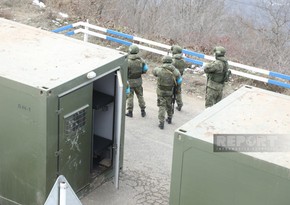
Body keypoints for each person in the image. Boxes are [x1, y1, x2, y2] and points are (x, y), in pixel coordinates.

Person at [153, 55, 182, 129]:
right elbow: (179, 81)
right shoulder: (175, 71)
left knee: (162, 106)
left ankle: (161, 122)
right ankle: (169, 118)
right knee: (169, 104)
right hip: (170, 91)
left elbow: (154, 72)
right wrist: (177, 89)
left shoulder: (159, 70)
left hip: (161, 91)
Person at [126, 45, 148, 118]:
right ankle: (143, 111)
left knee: (130, 97)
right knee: (140, 96)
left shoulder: (127, 61)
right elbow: (145, 69)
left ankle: (130, 112)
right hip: (138, 81)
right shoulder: (141, 60)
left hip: (130, 82)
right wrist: (140, 73)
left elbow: (124, 72)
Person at [171, 45, 187, 111]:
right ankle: (180, 104)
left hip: (172, 78)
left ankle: (170, 104)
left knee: (170, 91)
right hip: (179, 77)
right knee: (178, 92)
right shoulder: (183, 60)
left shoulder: (173, 60)